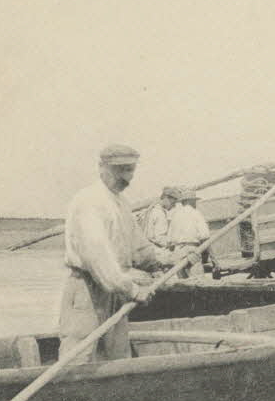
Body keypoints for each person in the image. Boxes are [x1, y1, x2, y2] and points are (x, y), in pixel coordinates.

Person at [60, 144, 169, 363]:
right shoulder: (89, 202)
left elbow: (140, 248)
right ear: (102, 167)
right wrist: (133, 290)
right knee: (80, 355)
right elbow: (98, 259)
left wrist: (166, 261)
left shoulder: (121, 204)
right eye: (120, 170)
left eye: (130, 170)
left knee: (117, 357)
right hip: (88, 290)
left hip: (115, 290)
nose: (126, 178)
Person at [166, 188, 211, 266]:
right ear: (190, 201)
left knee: (182, 277)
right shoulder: (196, 213)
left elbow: (169, 240)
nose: (195, 203)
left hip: (178, 251)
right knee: (197, 277)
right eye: (194, 201)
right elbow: (205, 235)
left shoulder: (175, 215)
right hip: (192, 249)